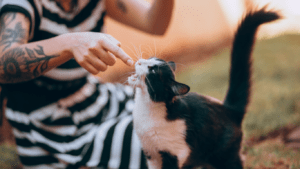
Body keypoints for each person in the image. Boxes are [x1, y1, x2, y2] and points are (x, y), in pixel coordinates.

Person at [0, 0, 174, 168]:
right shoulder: (25, 4)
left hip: (93, 97)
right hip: (50, 125)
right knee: (160, 144)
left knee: (179, 117)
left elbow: (154, 24)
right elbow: (3, 64)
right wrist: (70, 43)